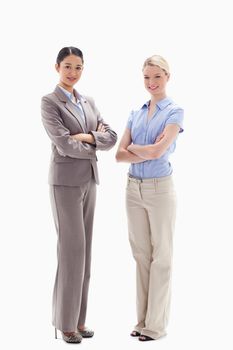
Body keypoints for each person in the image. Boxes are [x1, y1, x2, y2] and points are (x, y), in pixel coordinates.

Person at [41, 46, 117, 344]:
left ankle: (79, 319)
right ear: (57, 67)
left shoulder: (89, 101)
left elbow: (110, 137)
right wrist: (92, 143)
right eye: (68, 66)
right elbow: (63, 144)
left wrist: (87, 136)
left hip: (89, 181)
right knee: (71, 252)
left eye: (79, 67)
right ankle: (65, 323)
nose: (73, 72)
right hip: (65, 183)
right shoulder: (50, 102)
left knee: (84, 253)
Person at [115, 55, 184, 341]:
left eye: (157, 76)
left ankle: (155, 327)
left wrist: (137, 148)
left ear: (167, 76)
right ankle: (142, 321)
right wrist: (146, 148)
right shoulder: (136, 111)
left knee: (162, 258)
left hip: (160, 189)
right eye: (146, 77)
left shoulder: (175, 111)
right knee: (142, 256)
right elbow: (119, 154)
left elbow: (158, 153)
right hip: (133, 189)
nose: (151, 83)